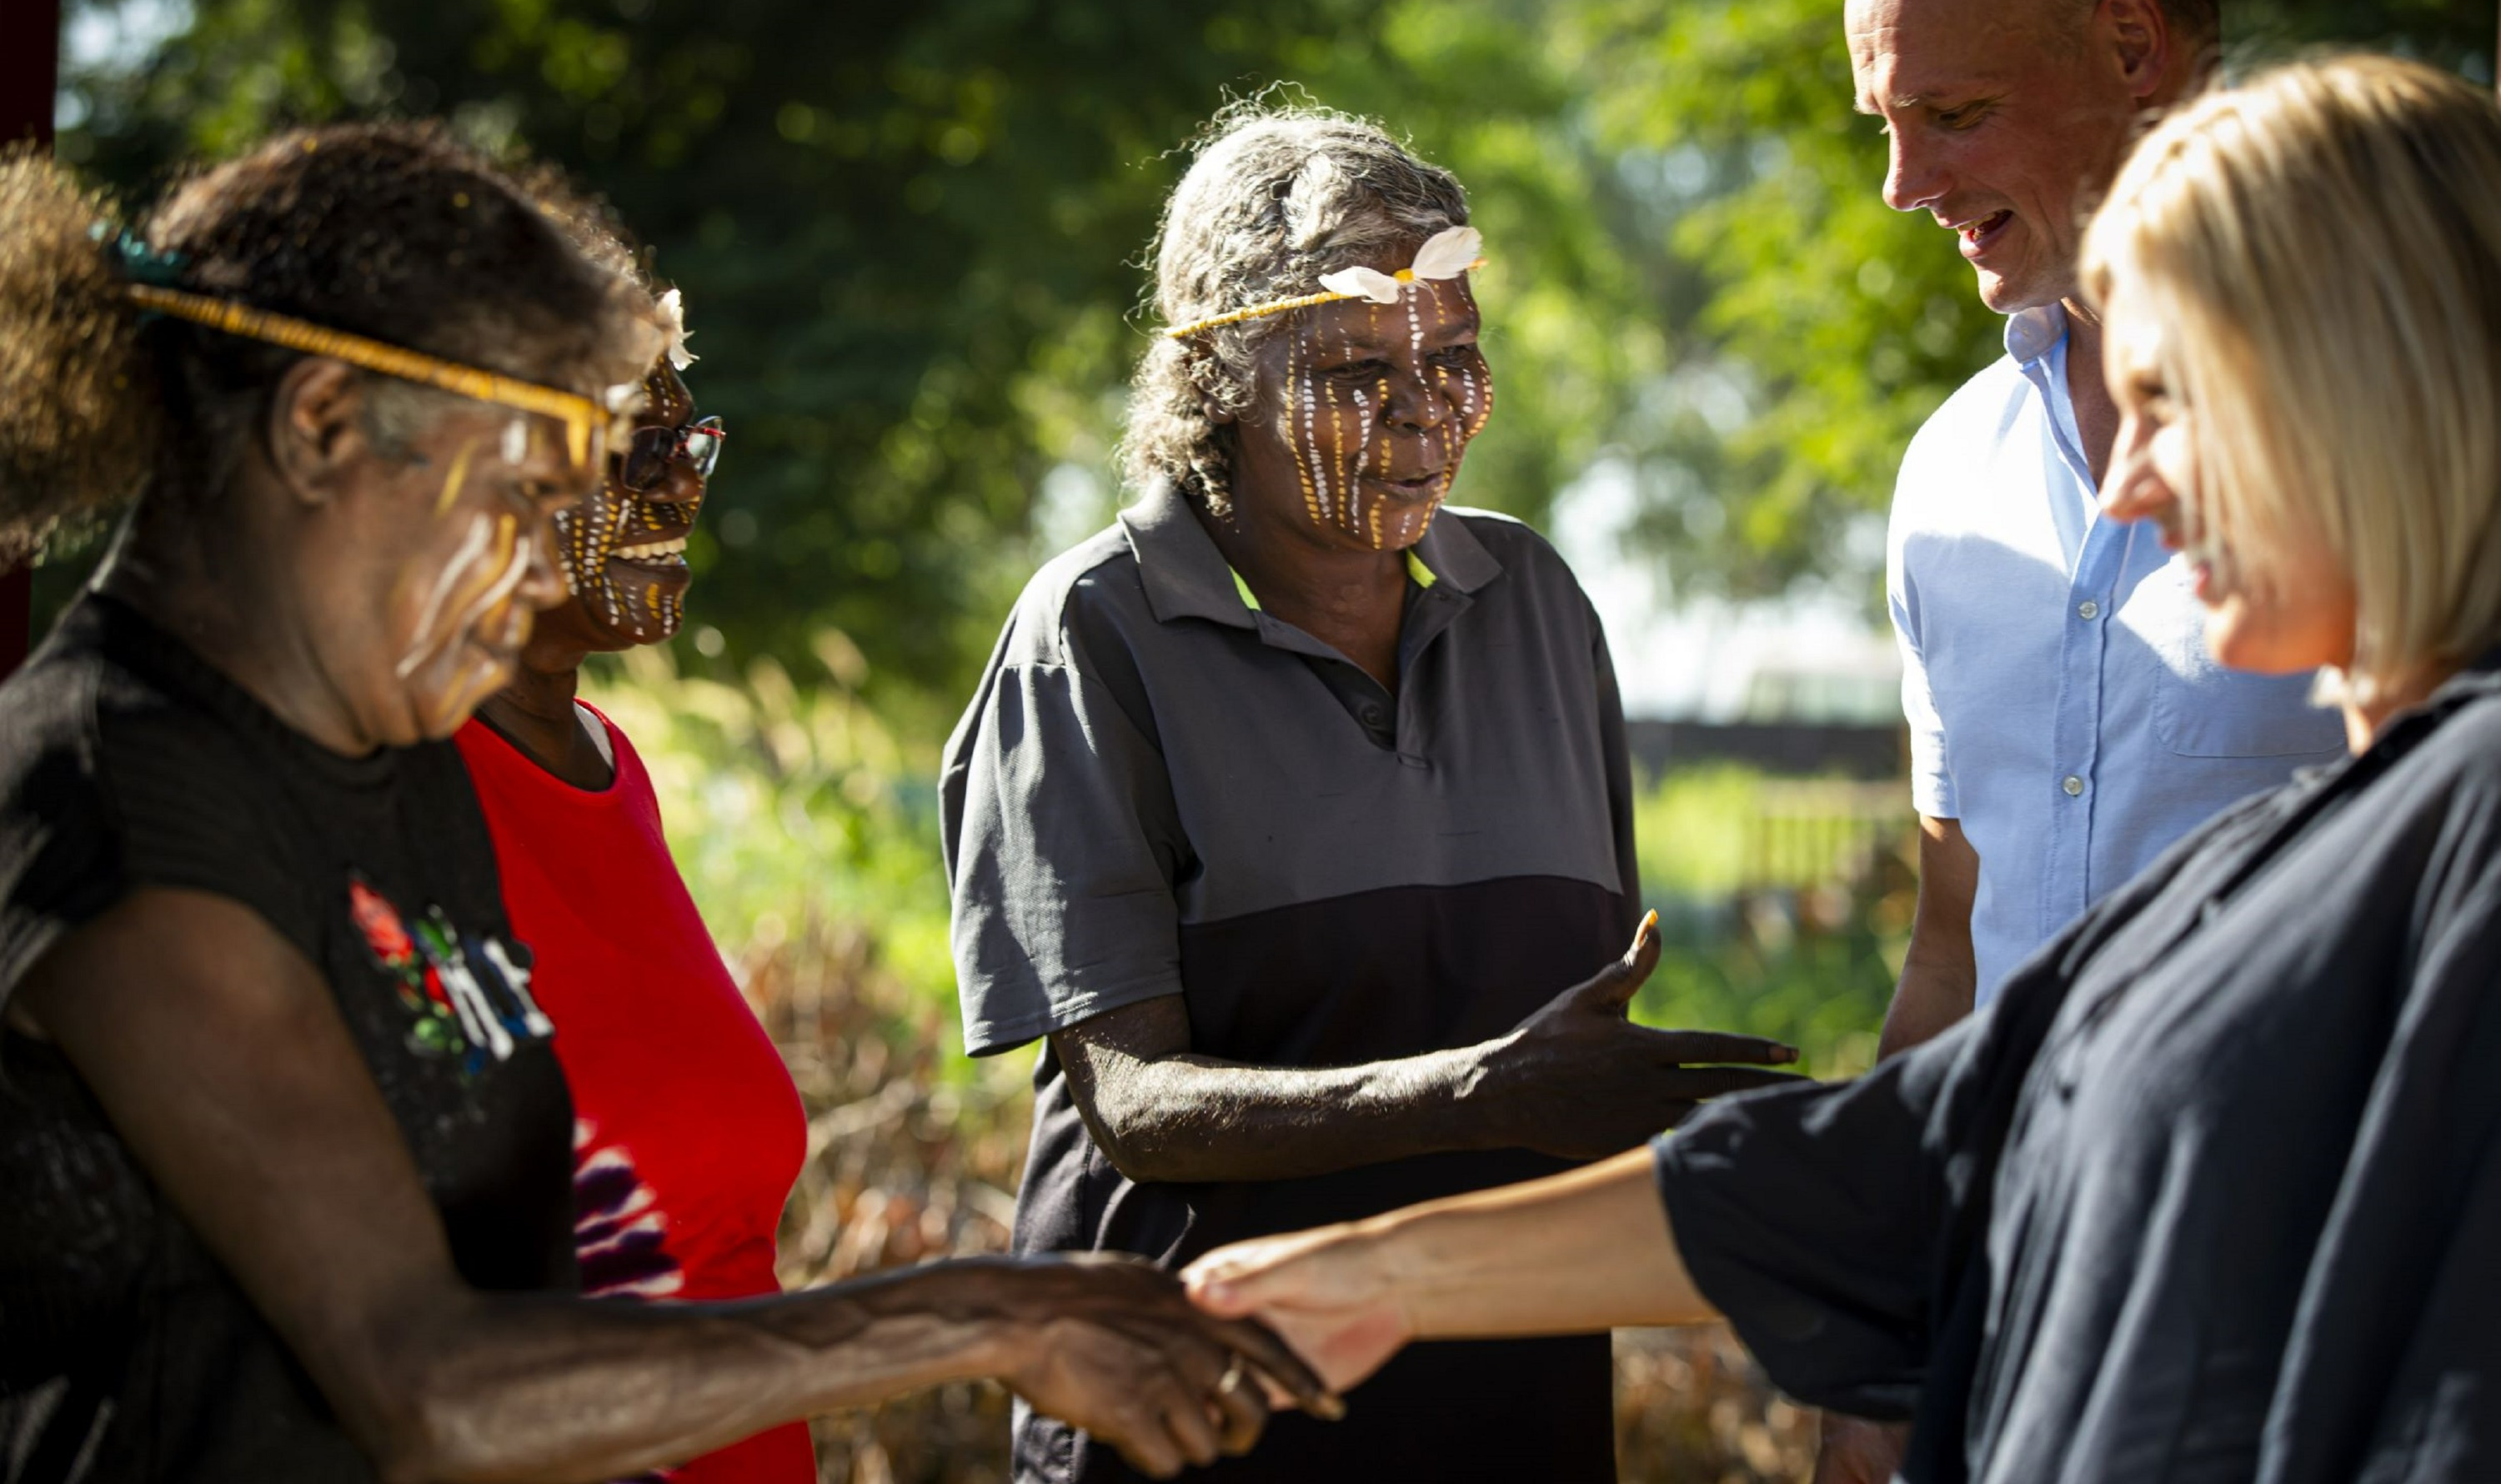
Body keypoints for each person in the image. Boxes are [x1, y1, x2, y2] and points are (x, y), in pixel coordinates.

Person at [1182, 54, 2501, 1484]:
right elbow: (1903, 1164)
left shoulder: (2471, 822)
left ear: (2373, 387)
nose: (2125, 486)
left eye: (2175, 401)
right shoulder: (2302, 843)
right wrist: (1357, 1277)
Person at [0, 123, 1329, 1484]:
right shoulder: (109, 787)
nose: (543, 565)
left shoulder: (355, 770)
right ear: (324, 424)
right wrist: (986, 1311)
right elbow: (429, 1382)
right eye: (527, 489)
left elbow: (566, 1283)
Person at [940, 105, 1799, 1484]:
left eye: (1454, 355)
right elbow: (1133, 1103)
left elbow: (1568, 1030)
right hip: (1200, 1417)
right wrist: (1484, 1092)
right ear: (1219, 376)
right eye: (1352, 367)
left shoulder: (1536, 606)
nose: (1421, 407)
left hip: (1512, 1415)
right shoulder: (1093, 634)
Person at [1860, 0, 2345, 1063]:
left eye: (1955, 112)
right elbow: (1950, 947)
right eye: (1885, 125)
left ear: (2135, 49)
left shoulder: (2416, 422)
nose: (1904, 185)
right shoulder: (1948, 472)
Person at [454, 212, 813, 1481]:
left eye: (689, 436)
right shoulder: (390, 793)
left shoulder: (615, 770)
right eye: (634, 442)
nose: (681, 482)